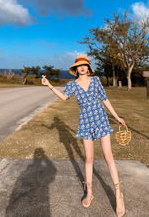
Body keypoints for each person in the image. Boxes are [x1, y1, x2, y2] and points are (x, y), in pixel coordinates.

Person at [41, 55, 125, 217]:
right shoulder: (72, 85)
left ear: (88, 67)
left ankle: (118, 194)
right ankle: (89, 192)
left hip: (100, 118)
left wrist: (116, 117)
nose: (82, 67)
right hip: (85, 121)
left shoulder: (96, 81)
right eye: (79, 65)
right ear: (75, 68)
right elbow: (65, 97)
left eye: (85, 65)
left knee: (108, 157)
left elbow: (105, 100)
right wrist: (49, 85)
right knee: (88, 159)